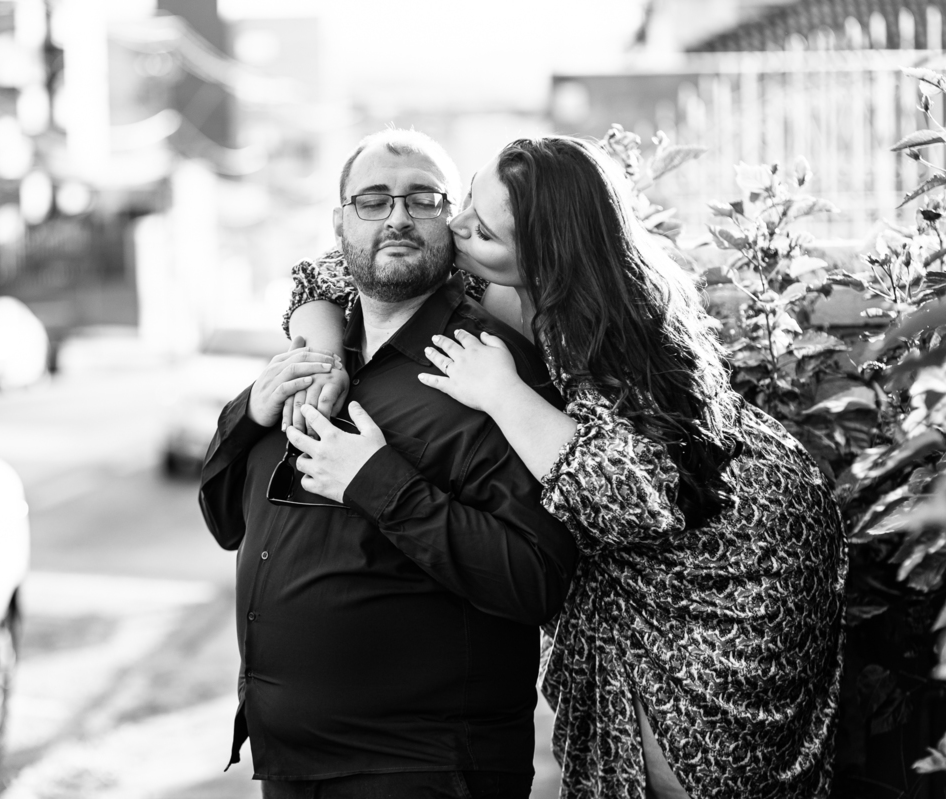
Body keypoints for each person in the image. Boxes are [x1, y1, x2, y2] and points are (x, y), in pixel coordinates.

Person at [284, 135, 847, 799]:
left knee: (699, 771)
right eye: (469, 202)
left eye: (483, 230)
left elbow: (626, 496)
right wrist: (321, 358)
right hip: (701, 531)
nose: (457, 227)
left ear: (542, 258)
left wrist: (502, 392)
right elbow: (334, 269)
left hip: (735, 567)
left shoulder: (604, 322)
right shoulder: (498, 272)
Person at [198, 128, 578, 799]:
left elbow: (536, 580)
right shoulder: (311, 355)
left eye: (422, 199)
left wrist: (376, 482)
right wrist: (249, 412)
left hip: (426, 769)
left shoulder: (492, 369)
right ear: (339, 223)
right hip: (289, 766)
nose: (397, 216)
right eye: (373, 200)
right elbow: (225, 518)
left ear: (453, 219)